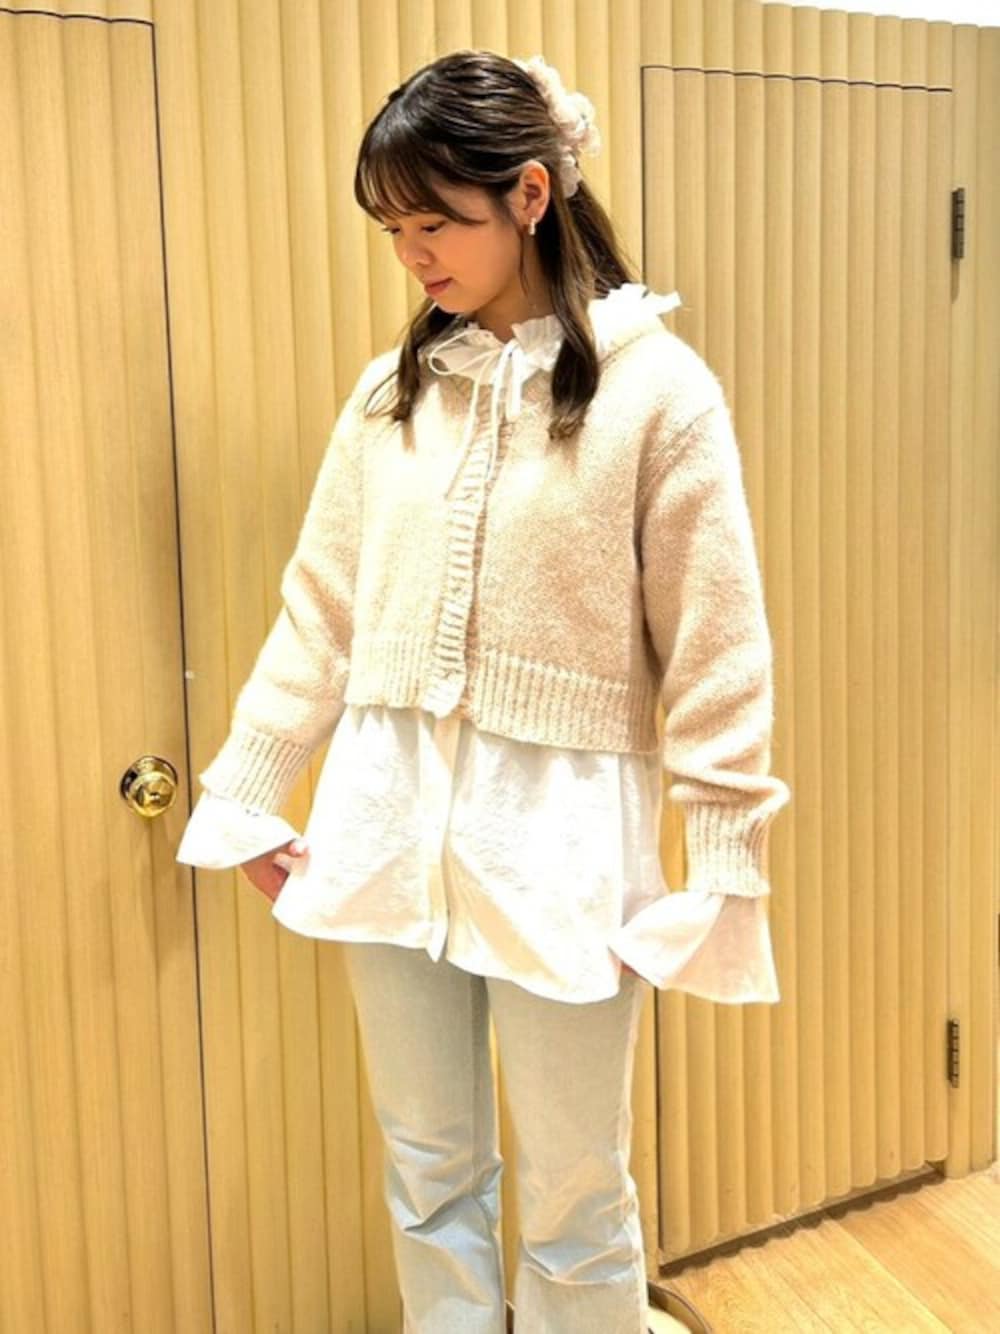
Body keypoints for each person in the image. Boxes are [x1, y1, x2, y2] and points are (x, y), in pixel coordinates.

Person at [176, 48, 791, 1334]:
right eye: (392, 229)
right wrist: (245, 792)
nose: (412, 256)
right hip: (387, 819)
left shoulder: (656, 393)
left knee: (577, 1191)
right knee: (427, 1174)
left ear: (529, 194)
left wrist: (724, 854)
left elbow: (716, 645)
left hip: (557, 840)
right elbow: (321, 609)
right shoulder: (391, 394)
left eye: (434, 222)